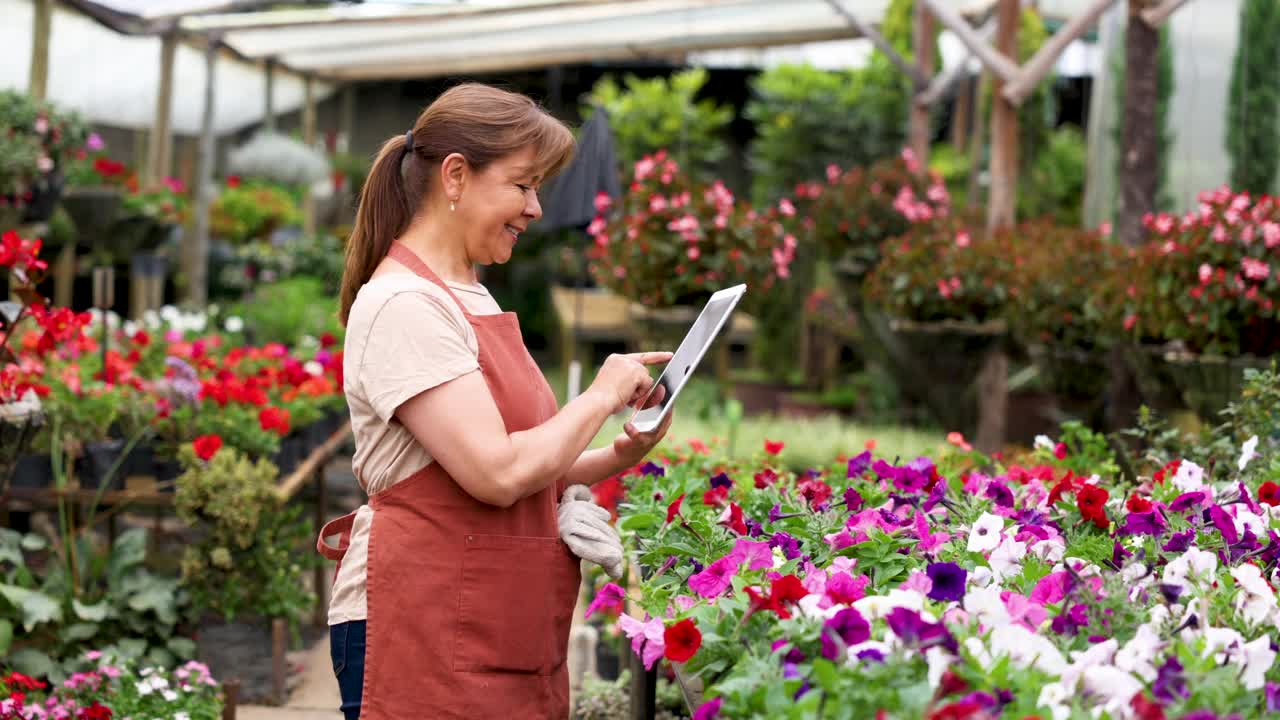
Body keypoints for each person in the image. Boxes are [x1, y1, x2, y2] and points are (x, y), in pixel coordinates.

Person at [316, 83, 674, 720]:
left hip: (488, 620)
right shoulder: (405, 305)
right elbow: (497, 472)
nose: (535, 208)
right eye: (522, 185)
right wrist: (598, 396)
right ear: (456, 176)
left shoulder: (468, 294)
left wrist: (622, 449)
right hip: (420, 621)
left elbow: (530, 460)